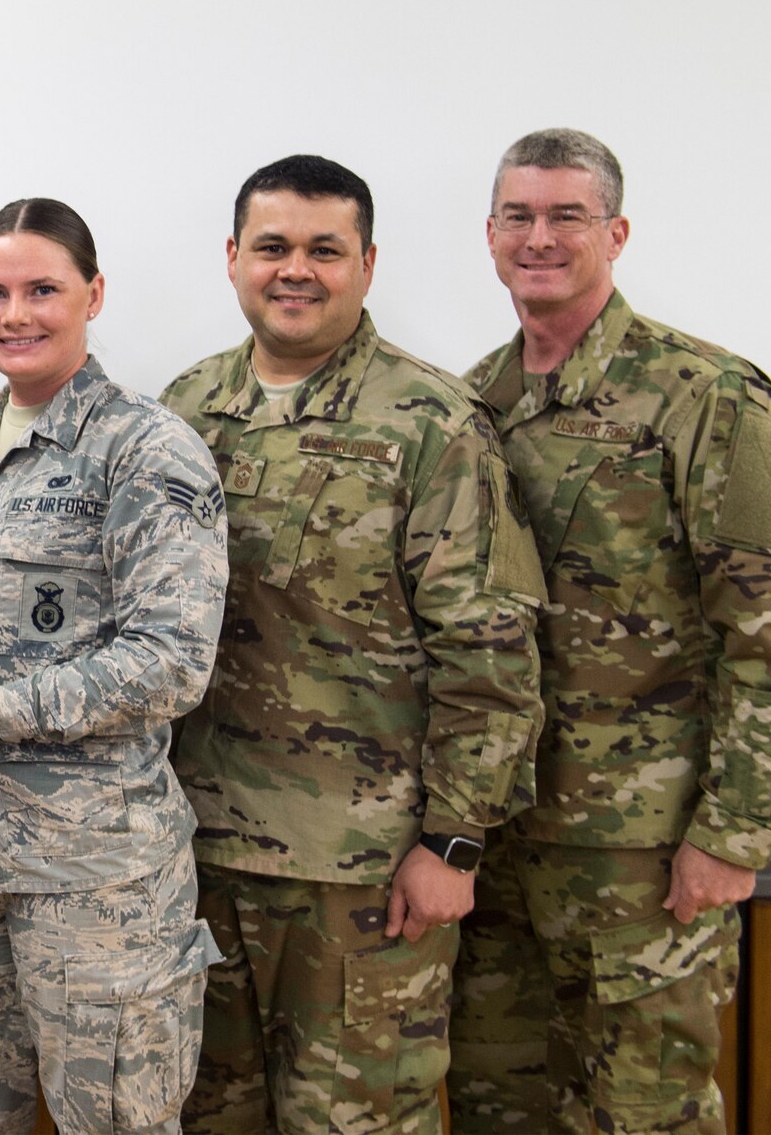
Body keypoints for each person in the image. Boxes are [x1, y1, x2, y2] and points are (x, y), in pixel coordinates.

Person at [447, 129, 771, 1135]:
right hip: (499, 850)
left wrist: (730, 837)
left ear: (613, 232)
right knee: (503, 1105)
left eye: (565, 215)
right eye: (518, 216)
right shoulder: (469, 403)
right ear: (488, 235)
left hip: (643, 852)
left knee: (643, 1111)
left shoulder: (705, 396)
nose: (539, 236)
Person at [159, 155, 543, 1134]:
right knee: (206, 1114)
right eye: (272, 246)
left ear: (366, 264)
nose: (295, 270)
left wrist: (452, 841)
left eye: (323, 250)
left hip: (364, 875)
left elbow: (488, 650)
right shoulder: (184, 410)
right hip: (195, 858)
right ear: (232, 258)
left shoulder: (430, 422)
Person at [0, 197, 227, 1135]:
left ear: (93, 294)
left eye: (42, 289)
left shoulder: (149, 452)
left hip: (94, 887)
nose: (14, 313)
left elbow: (170, 662)